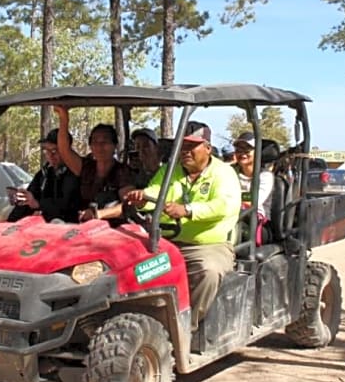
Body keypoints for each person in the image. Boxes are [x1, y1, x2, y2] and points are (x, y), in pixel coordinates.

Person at [123, 121, 241, 329]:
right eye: (182, 146)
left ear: (207, 148)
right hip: (168, 242)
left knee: (208, 271)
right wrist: (143, 197)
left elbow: (224, 205)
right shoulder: (171, 171)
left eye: (191, 146)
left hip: (208, 246)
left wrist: (188, 210)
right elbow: (157, 190)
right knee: (133, 267)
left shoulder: (223, 173)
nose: (185, 151)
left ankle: (187, 327)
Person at [53, 105, 132, 223]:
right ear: (90, 146)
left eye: (105, 142)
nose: (99, 146)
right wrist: (64, 118)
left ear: (114, 145)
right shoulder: (86, 168)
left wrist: (98, 214)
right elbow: (64, 150)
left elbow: (128, 205)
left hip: (114, 230)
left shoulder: (122, 172)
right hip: (85, 228)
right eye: (95, 142)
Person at [7, 128, 82, 223]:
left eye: (55, 151)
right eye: (47, 151)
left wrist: (38, 204)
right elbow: (31, 196)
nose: (50, 156)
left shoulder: (77, 173)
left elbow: (66, 206)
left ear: (66, 151)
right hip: (45, 228)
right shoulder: (44, 173)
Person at [232, 132, 274, 217]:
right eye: (239, 150)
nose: (242, 153)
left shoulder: (265, 176)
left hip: (255, 219)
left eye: (247, 149)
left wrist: (231, 196)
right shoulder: (231, 171)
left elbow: (254, 200)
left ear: (257, 152)